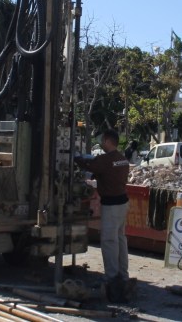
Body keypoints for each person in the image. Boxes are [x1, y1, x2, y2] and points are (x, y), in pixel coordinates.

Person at [75, 129, 131, 302]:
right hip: (123, 202)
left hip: (112, 204)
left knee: (109, 240)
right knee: (120, 238)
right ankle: (123, 274)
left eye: (101, 140)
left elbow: (90, 166)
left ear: (108, 141)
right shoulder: (122, 159)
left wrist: (76, 157)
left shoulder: (106, 160)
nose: (100, 143)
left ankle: (112, 276)